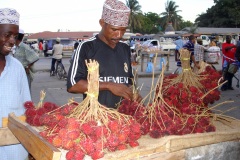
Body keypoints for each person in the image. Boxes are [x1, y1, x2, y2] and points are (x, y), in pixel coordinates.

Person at [67, 0, 142, 109]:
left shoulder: (124, 48)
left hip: (123, 117)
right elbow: (73, 85)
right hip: (97, 118)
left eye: (123, 30)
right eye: (114, 29)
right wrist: (109, 86)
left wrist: (133, 93)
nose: (119, 35)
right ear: (102, 23)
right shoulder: (87, 47)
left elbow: (128, 81)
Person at [0, 8, 31, 160]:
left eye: (15, 36)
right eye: (7, 35)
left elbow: (27, 106)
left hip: (16, 147)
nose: (12, 41)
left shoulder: (17, 67)